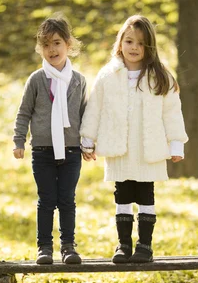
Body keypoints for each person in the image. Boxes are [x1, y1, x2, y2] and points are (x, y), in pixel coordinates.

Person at [80, 15, 188, 263]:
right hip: (121, 148)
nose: (134, 48)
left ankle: (145, 246)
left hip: (148, 148)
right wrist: (88, 139)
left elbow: (171, 112)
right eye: (129, 41)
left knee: (146, 195)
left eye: (141, 43)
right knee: (123, 195)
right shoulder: (108, 75)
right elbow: (94, 108)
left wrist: (176, 143)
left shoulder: (160, 77)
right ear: (120, 43)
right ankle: (123, 245)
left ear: (149, 47)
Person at [13, 15, 87, 264]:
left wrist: (88, 143)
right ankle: (44, 247)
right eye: (45, 45)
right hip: (43, 150)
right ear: (40, 49)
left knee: (67, 200)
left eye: (56, 43)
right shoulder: (36, 80)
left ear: (68, 44)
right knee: (46, 200)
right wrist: (19, 140)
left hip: (71, 150)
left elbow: (85, 116)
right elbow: (24, 112)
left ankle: (68, 246)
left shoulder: (78, 81)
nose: (52, 49)